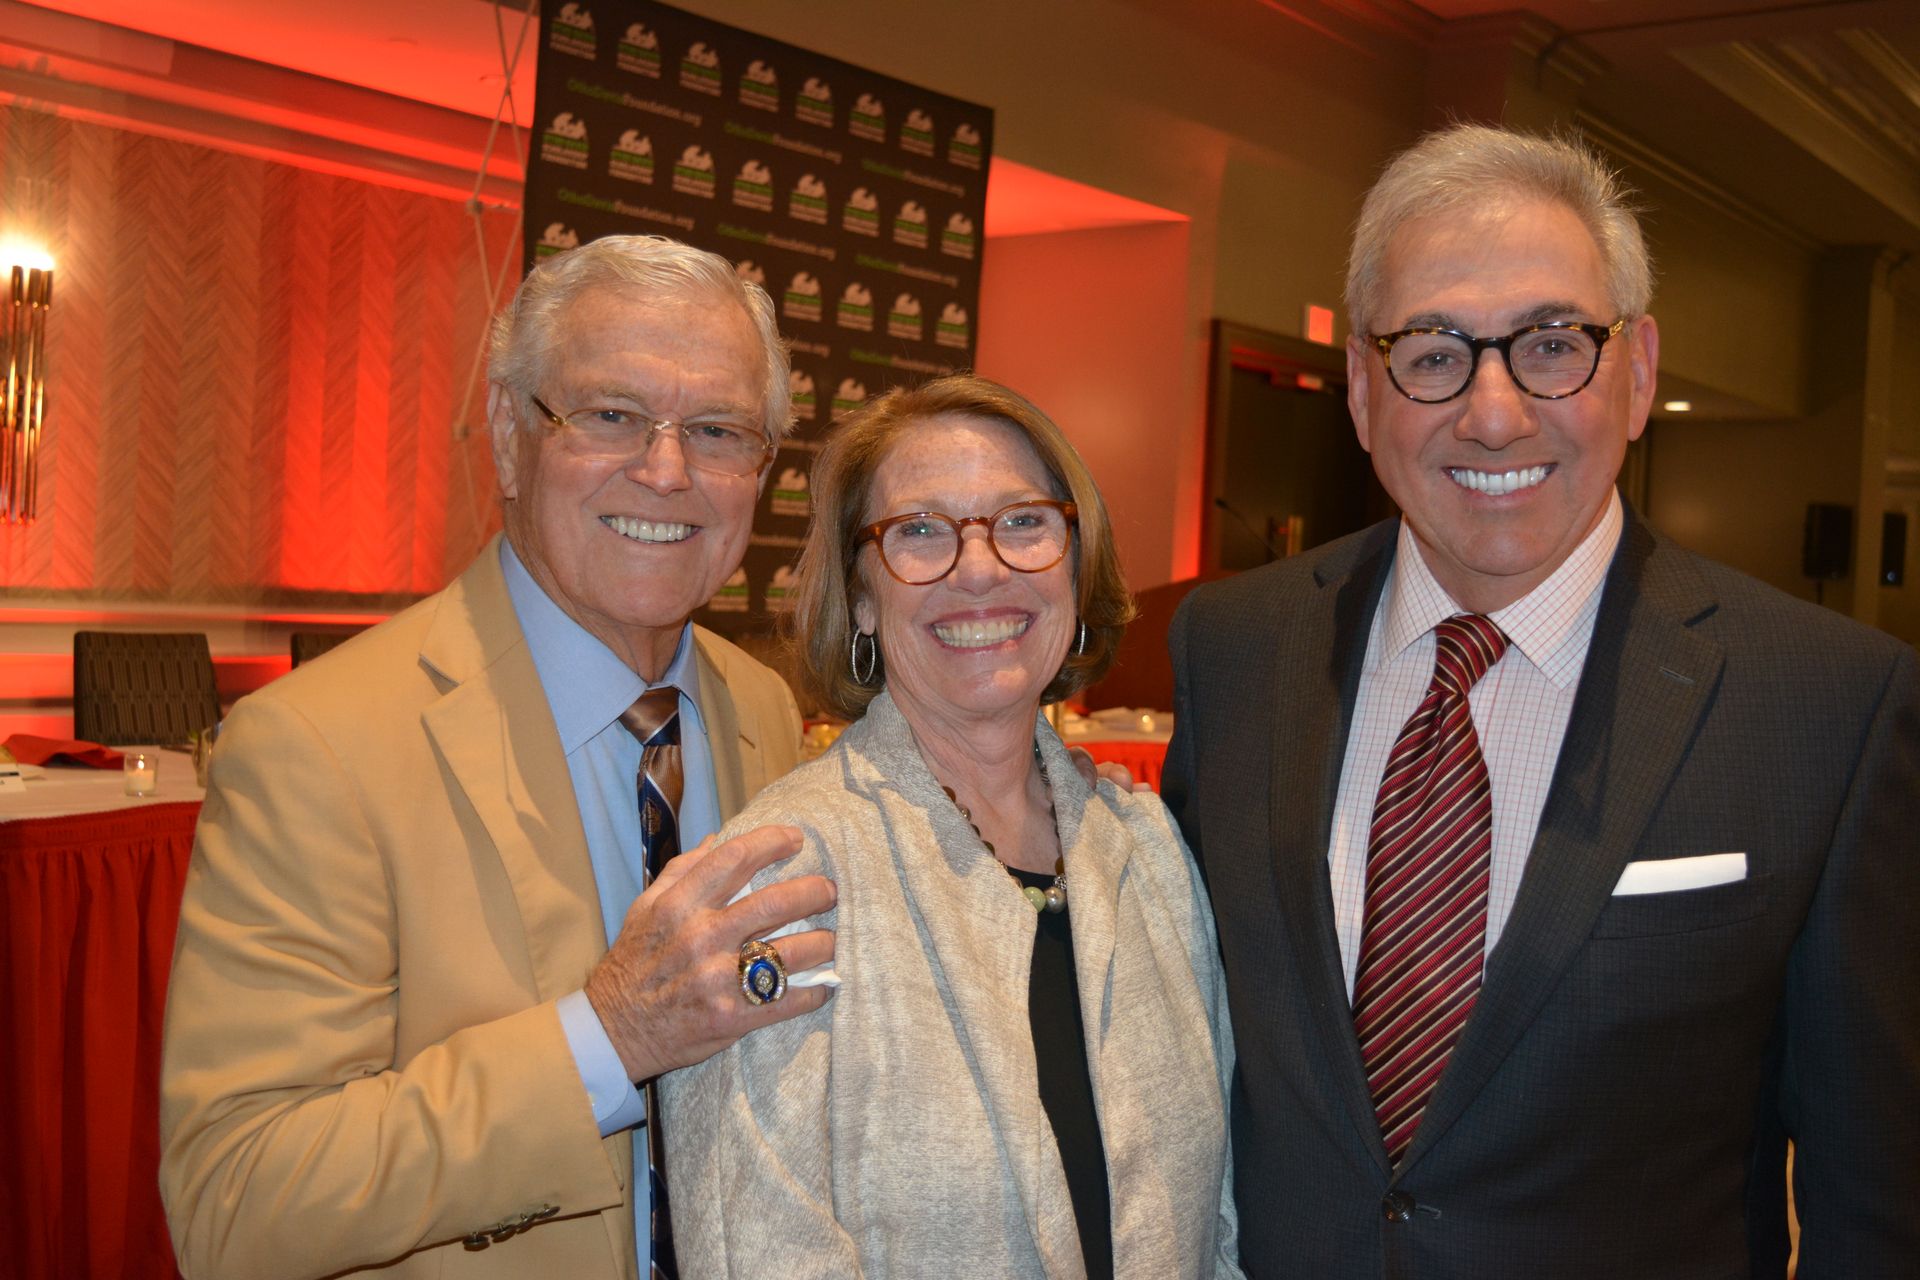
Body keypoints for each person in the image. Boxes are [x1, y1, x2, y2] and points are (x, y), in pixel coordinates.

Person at [1164, 124, 1920, 1278]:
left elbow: (1879, 1195)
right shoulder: (1233, 648)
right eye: (1433, 352)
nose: (1496, 410)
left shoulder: (1832, 702)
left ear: (1640, 372)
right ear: (1364, 390)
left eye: (1553, 344)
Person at [159, 235, 837, 1279]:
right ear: (511, 437)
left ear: (761, 473)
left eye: (716, 429)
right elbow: (238, 1197)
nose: (666, 470)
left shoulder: (760, 708)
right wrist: (608, 1039)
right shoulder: (315, 747)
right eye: (610, 415)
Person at [661, 375, 1242, 1278]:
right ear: (859, 599)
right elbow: (757, 1253)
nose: (980, 570)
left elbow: (1222, 1228)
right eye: (920, 532)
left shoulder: (1148, 849)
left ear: (1075, 569)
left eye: (1022, 523)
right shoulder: (781, 875)